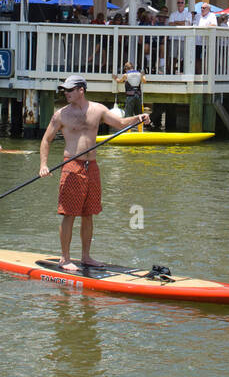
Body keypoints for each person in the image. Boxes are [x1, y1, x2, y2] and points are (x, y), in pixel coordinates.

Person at [39, 75, 149, 272]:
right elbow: (46, 140)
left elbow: (121, 123)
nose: (66, 93)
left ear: (81, 90)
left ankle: (86, 256)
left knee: (88, 214)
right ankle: (65, 258)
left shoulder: (98, 109)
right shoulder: (61, 115)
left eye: (70, 90)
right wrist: (43, 165)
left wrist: (138, 118)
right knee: (69, 214)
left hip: (92, 167)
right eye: (65, 90)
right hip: (72, 166)